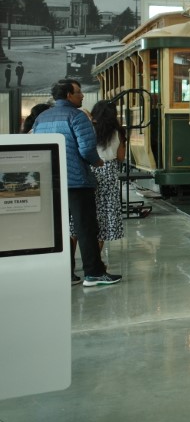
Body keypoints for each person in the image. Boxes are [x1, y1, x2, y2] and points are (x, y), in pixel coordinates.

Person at [31, 79, 122, 287]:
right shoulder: (76, 116)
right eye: (79, 92)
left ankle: (67, 273)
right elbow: (87, 148)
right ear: (68, 96)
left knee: (60, 229)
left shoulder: (42, 117)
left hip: (51, 182)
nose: (82, 96)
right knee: (85, 227)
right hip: (77, 182)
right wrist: (97, 162)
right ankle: (94, 273)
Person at [88, 100, 126, 247]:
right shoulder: (119, 132)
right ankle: (97, 259)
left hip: (91, 168)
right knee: (104, 215)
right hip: (109, 171)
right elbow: (121, 157)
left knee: (87, 210)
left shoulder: (89, 129)